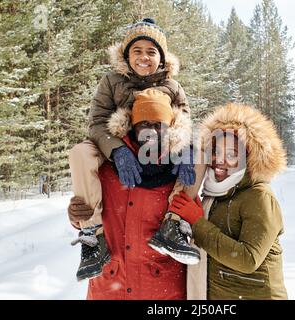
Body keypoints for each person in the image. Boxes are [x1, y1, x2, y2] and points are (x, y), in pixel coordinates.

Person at [68, 18, 199, 282]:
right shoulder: (111, 81)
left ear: (161, 59)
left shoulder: (172, 86)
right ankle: (92, 235)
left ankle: (174, 225)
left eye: (151, 52)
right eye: (136, 51)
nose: (143, 57)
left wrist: (184, 146)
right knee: (80, 153)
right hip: (115, 142)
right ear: (126, 55)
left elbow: (184, 120)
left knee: (198, 155)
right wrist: (117, 150)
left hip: (161, 143)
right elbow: (96, 122)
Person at [69, 88, 190, 299]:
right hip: (110, 285)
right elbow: (91, 206)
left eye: (158, 125)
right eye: (144, 124)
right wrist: (76, 215)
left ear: (169, 128)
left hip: (161, 289)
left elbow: (193, 221)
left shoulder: (180, 169)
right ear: (132, 126)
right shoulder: (106, 166)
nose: (151, 132)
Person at [168, 103, 289, 300]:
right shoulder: (213, 194)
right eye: (216, 151)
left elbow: (248, 259)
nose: (220, 160)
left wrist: (198, 223)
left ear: (251, 158)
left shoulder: (259, 197)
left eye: (232, 154)